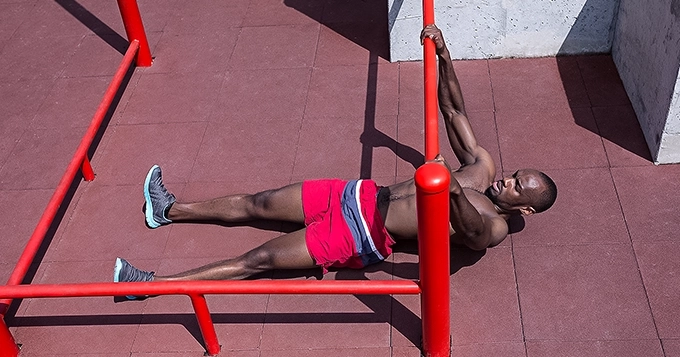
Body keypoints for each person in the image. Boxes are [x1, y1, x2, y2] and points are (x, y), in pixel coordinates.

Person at [113, 25, 557, 292]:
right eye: (517, 175)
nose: (508, 181)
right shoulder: (482, 167)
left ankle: (150, 286)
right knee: (259, 202)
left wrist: (447, 183)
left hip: (360, 233)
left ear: (526, 209)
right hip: (357, 193)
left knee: (259, 260)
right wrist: (444, 56)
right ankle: (167, 210)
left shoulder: (496, 226)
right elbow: (455, 110)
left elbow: (472, 228)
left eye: (519, 187)